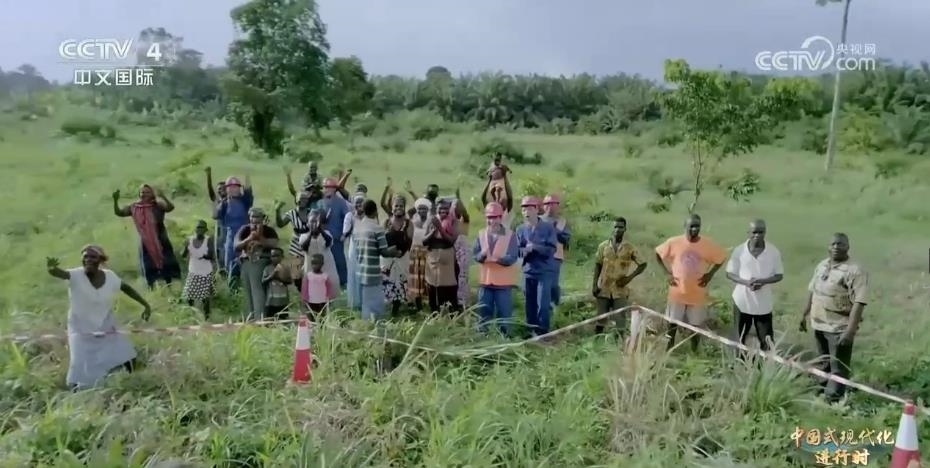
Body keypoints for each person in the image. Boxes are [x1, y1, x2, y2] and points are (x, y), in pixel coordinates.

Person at [46, 245, 152, 390]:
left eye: (93, 257)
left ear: (100, 260)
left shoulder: (110, 276)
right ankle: (77, 389)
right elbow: (59, 273)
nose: (88, 260)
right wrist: (52, 268)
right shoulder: (76, 275)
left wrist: (145, 305)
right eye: (85, 256)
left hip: (104, 322)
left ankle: (136, 379)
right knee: (80, 360)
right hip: (79, 326)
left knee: (124, 350)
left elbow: (126, 288)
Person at [800, 233, 868, 403]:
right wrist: (804, 314)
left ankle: (834, 399)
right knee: (824, 362)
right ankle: (822, 389)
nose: (836, 247)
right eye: (833, 244)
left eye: (841, 244)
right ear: (828, 247)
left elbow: (859, 302)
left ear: (848, 247)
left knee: (838, 366)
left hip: (839, 326)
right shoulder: (822, 265)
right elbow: (812, 291)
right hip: (819, 323)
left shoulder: (855, 271)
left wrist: (850, 331)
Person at [654, 214, 727, 352]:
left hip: (697, 292)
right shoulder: (674, 242)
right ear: (685, 226)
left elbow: (721, 257)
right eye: (691, 226)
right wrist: (666, 274)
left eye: (697, 226)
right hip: (677, 291)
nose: (694, 229)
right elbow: (658, 253)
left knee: (696, 325)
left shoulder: (707, 244)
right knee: (672, 323)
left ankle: (694, 351)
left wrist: (710, 274)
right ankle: (669, 349)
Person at [725, 219, 784, 353]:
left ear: (765, 233)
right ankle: (738, 362)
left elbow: (779, 275)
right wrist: (746, 282)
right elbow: (729, 273)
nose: (757, 235)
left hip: (763, 303)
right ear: (748, 233)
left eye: (760, 232)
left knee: (766, 339)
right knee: (740, 336)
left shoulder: (773, 252)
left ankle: (767, 364)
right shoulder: (739, 251)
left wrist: (763, 281)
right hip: (742, 301)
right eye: (754, 232)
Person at [112, 184, 181, 289]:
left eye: (147, 192)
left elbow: (170, 208)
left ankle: (169, 285)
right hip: (145, 241)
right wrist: (115, 200)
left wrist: (163, 196)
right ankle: (151, 288)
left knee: (166, 262)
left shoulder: (157, 205)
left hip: (161, 239)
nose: (144, 194)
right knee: (148, 264)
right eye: (142, 192)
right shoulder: (134, 207)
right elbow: (119, 213)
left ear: (152, 194)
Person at [592, 217, 647, 335]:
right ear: (612, 228)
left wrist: (629, 278)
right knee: (600, 319)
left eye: (620, 227)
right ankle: (597, 342)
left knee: (620, 321)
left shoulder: (629, 248)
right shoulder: (603, 246)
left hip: (620, 289)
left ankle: (619, 344)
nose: (617, 229)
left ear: (625, 229)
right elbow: (598, 265)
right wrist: (594, 285)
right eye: (615, 227)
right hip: (604, 288)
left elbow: (643, 264)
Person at [515, 196, 559, 336]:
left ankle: (543, 332)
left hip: (544, 271)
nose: (526, 212)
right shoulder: (520, 229)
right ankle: (531, 330)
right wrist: (524, 251)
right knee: (529, 303)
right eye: (523, 209)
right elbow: (517, 250)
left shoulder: (547, 228)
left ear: (536, 209)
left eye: (529, 209)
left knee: (543, 304)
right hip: (528, 271)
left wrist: (535, 247)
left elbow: (551, 250)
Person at [473, 202, 520, 335]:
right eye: (489, 217)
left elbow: (512, 257)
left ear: (500, 218)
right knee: (483, 313)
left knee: (504, 315)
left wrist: (497, 260)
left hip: (503, 284)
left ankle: (505, 337)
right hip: (485, 282)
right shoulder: (481, 234)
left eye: (494, 217)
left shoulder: (510, 235)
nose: (491, 221)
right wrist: (482, 255)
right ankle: (482, 337)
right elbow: (475, 255)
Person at [355, 200, 401, 320]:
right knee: (375, 305)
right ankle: (374, 324)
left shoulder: (358, 227)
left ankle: (365, 323)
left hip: (360, 270)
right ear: (375, 212)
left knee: (365, 302)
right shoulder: (377, 229)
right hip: (372, 272)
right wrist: (395, 251)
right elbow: (384, 252)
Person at [234, 207, 279, 321]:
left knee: (258, 292)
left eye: (257, 217)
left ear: (262, 219)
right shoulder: (244, 230)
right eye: (252, 217)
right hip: (246, 263)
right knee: (248, 293)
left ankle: (260, 319)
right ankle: (250, 318)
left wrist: (260, 237)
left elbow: (274, 244)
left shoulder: (269, 231)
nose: (254, 220)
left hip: (261, 263)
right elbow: (236, 246)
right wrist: (249, 238)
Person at [216, 174, 254, 290]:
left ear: (239, 188)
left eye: (236, 187)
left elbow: (248, 190)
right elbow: (216, 215)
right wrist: (221, 202)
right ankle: (232, 289)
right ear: (227, 189)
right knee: (229, 264)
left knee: (246, 262)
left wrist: (247, 176)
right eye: (230, 187)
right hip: (230, 237)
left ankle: (246, 288)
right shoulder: (224, 204)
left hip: (244, 235)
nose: (233, 189)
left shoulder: (245, 200)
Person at [422, 199, 460, 313]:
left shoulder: (455, 221)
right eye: (440, 208)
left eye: (446, 208)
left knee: (448, 286)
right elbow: (424, 241)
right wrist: (432, 232)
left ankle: (451, 311)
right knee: (432, 286)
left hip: (447, 257)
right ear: (436, 209)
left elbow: (451, 241)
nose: (443, 211)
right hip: (432, 258)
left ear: (449, 209)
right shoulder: (431, 220)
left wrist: (440, 229)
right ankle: (434, 311)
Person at [299, 208, 341, 305]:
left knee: (329, 291)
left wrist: (320, 230)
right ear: (307, 223)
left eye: (316, 221)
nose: (314, 224)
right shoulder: (304, 236)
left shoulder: (326, 234)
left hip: (327, 267)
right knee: (312, 293)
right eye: (312, 221)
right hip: (311, 268)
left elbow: (328, 242)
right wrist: (311, 234)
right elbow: (304, 247)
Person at [274, 191, 313, 291]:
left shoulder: (311, 212)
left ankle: (309, 293)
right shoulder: (292, 213)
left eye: (304, 199)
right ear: (296, 200)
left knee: (309, 272)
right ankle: (301, 292)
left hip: (309, 246)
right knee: (296, 275)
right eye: (300, 198)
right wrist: (277, 211)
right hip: (296, 246)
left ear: (307, 201)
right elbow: (280, 224)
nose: (301, 201)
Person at [382, 194, 414, 317]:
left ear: (404, 207)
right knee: (390, 282)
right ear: (392, 207)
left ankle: (406, 305)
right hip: (388, 258)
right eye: (396, 206)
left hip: (403, 256)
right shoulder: (386, 222)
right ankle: (393, 307)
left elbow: (410, 241)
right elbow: (382, 239)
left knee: (403, 281)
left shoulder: (408, 223)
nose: (398, 208)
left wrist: (401, 252)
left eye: (401, 206)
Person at [319, 177, 353, 289]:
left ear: (335, 189)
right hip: (323, 238)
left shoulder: (341, 202)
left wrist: (345, 234)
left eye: (329, 187)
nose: (326, 189)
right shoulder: (320, 202)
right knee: (324, 262)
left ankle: (343, 283)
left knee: (339, 261)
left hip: (337, 238)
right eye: (325, 187)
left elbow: (348, 218)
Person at [180, 220, 215, 319]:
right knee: (189, 295)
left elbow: (211, 256)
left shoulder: (208, 240)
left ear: (205, 230)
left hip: (205, 272)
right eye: (198, 227)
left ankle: (207, 317)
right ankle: (192, 315)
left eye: (201, 228)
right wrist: (186, 247)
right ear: (195, 229)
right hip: (193, 270)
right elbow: (183, 255)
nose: (199, 230)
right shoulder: (189, 240)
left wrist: (202, 256)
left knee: (205, 297)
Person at [541, 193, 571, 306]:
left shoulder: (562, 221)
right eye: (547, 204)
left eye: (553, 204)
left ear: (557, 206)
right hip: (539, 256)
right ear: (543, 206)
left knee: (553, 283)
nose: (550, 206)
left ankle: (554, 304)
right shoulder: (538, 220)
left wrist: (555, 230)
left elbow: (566, 238)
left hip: (555, 257)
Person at [407, 198, 432, 310]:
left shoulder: (430, 222)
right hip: (414, 254)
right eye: (420, 209)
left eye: (424, 209)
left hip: (426, 253)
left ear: (428, 210)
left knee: (425, 277)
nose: (422, 211)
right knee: (415, 278)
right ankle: (417, 303)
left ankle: (428, 301)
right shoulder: (412, 222)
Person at [343, 193, 366, 311]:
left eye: (361, 202)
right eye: (357, 202)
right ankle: (354, 302)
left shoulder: (369, 216)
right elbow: (345, 233)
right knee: (353, 273)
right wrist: (353, 224)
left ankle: (364, 301)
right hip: (354, 247)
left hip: (366, 247)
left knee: (364, 273)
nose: (359, 204)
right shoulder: (349, 216)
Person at [204, 167, 227, 276]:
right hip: (219, 227)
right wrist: (208, 175)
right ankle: (221, 270)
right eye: (218, 189)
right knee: (218, 249)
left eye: (222, 188)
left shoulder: (231, 200)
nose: (220, 190)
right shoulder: (218, 200)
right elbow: (210, 191)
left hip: (228, 228)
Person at [451, 191, 472, 308]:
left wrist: (458, 199)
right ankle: (456, 301)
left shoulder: (464, 220)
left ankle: (463, 302)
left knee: (462, 277)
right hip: (455, 250)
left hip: (463, 251)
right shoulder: (452, 222)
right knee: (454, 277)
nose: (455, 209)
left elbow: (463, 211)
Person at [262, 247, 291, 320]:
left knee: (283, 320)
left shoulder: (285, 268)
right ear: (270, 257)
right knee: (270, 320)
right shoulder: (267, 268)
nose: (275, 258)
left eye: (277, 256)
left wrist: (279, 278)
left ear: (282, 257)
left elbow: (289, 281)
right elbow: (263, 281)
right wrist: (272, 276)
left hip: (283, 300)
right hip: (271, 301)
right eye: (273, 256)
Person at [303, 253, 331, 320]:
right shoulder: (308, 275)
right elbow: (305, 288)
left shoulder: (325, 276)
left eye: (316, 263)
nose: (314, 265)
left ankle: (321, 325)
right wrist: (304, 298)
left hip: (322, 301)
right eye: (313, 263)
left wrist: (329, 298)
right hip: (311, 301)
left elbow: (328, 288)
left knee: (322, 316)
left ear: (322, 264)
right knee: (311, 315)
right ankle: (312, 325)